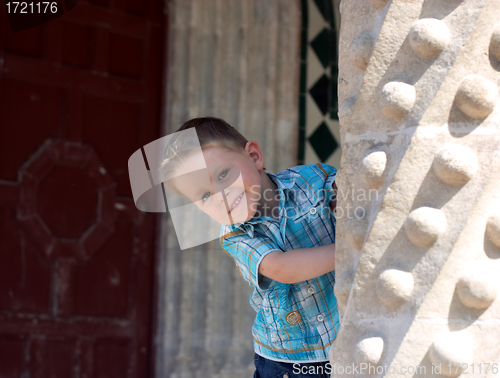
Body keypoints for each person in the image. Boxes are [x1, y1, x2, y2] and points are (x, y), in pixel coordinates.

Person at [159, 117, 339, 378]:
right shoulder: (235, 236)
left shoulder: (310, 178)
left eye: (223, 175)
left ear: (254, 157)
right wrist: (349, 252)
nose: (221, 196)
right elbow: (282, 267)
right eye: (205, 195)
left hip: (342, 330)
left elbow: (347, 191)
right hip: (289, 359)